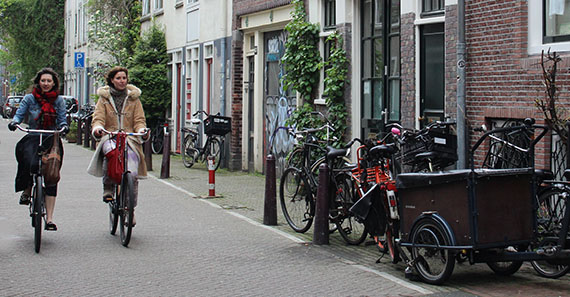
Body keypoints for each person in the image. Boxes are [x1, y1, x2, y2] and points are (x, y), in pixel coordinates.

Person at [8, 68, 69, 231]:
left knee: (52, 173)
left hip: (51, 138)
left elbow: (63, 119)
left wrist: (64, 127)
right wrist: (15, 122)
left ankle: (49, 219)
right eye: (43, 81)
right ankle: (27, 189)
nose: (46, 84)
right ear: (38, 82)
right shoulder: (30, 99)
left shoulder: (59, 101)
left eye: (49, 81)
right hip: (33, 135)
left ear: (54, 83)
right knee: (28, 159)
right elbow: (19, 115)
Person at [87, 66, 148, 226]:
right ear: (112, 80)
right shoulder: (104, 99)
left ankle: (130, 210)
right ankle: (108, 187)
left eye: (124, 78)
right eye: (118, 78)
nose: (122, 81)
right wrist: (98, 129)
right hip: (110, 135)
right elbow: (98, 118)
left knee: (132, 173)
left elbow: (139, 119)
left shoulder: (134, 99)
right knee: (111, 152)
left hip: (129, 138)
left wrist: (141, 130)